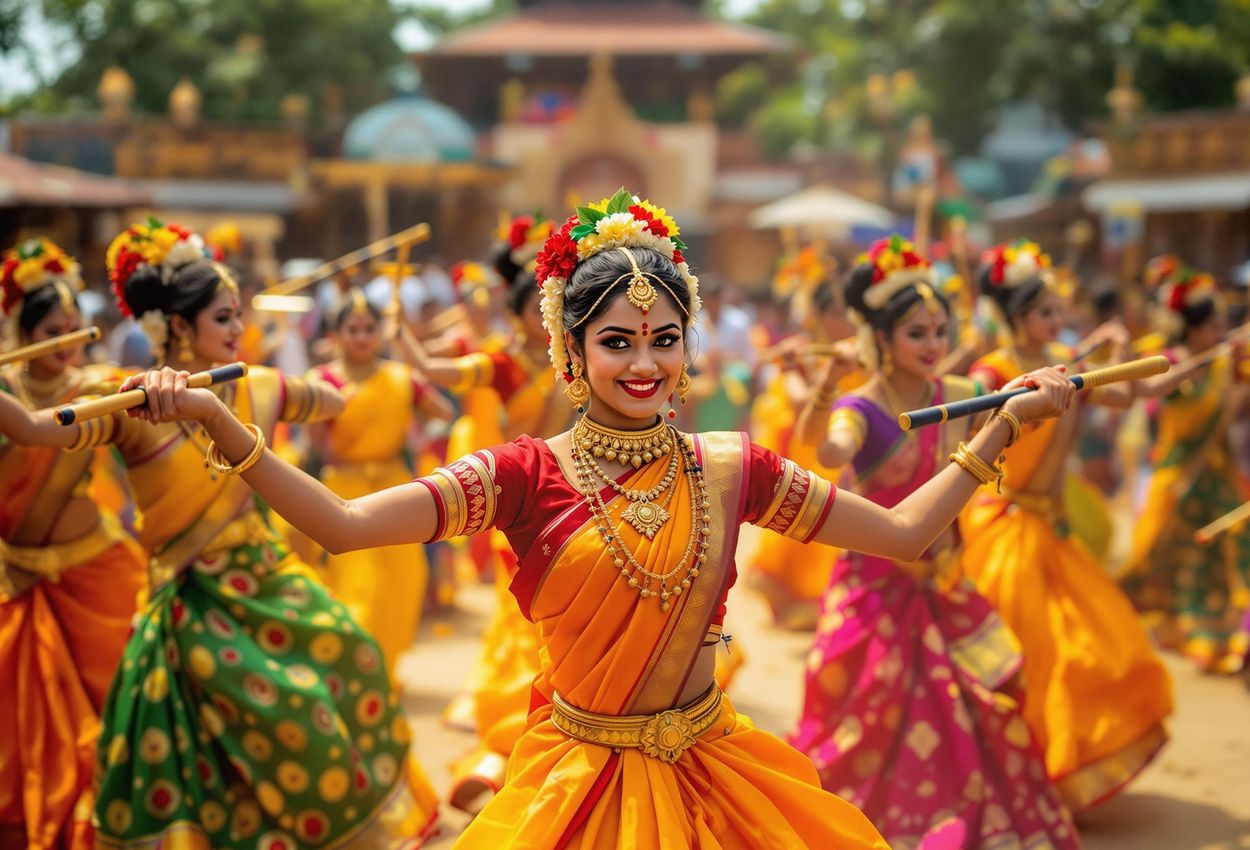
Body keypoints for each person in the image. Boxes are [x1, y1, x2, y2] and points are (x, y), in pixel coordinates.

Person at [123, 189, 1076, 850]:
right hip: (575, 788)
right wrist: (217, 419)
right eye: (616, 342)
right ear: (570, 351)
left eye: (664, 339)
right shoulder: (522, 476)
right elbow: (337, 523)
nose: (645, 365)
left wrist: (1000, 427)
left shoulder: (734, 465)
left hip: (716, 776)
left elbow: (907, 535)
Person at [0, 219, 438, 849]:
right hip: (192, 602)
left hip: (272, 582)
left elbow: (333, 402)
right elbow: (34, 430)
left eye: (237, 317)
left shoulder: (253, 383)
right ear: (179, 326)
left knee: (357, 657)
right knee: (254, 727)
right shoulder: (125, 403)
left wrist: (352, 366)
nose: (238, 330)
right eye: (224, 319)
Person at [789, 239, 1078, 849]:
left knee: (988, 703)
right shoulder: (861, 406)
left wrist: (1032, 393)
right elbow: (831, 449)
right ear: (882, 338)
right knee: (868, 723)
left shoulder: (960, 389)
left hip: (946, 582)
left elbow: (1006, 407)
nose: (932, 343)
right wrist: (826, 392)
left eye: (941, 330)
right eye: (917, 332)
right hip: (875, 592)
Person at [961, 240, 1173, 812]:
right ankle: (1013, 779)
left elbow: (1127, 396)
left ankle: (1057, 776)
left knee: (1095, 643)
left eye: (1058, 312)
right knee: (1033, 659)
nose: (1057, 321)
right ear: (1013, 317)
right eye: (1045, 313)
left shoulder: (1061, 362)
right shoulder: (994, 372)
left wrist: (1118, 346)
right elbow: (978, 444)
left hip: (1051, 525)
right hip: (1004, 525)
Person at [395, 214, 572, 812]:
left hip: (579, 498)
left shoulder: (584, 361)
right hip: (524, 502)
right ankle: (514, 736)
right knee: (523, 622)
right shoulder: (500, 363)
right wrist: (409, 343)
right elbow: (443, 373)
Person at [0, 238, 147, 850]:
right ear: (24, 333)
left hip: (96, 574)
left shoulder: (94, 386)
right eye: (53, 331)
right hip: (16, 579)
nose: (67, 342)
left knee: (119, 701)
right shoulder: (7, 389)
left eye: (74, 328)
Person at [309, 288, 452, 674]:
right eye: (353, 329)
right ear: (336, 335)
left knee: (406, 579)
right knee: (360, 588)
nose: (361, 336)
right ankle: (359, 676)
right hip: (344, 491)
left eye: (369, 328)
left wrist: (416, 427)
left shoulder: (400, 377)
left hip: (395, 487)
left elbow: (442, 411)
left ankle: (384, 674)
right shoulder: (322, 382)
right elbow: (313, 439)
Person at [1123, 266, 1250, 674]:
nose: (1220, 333)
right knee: (1164, 562)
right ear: (1192, 330)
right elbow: (1146, 390)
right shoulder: (1170, 361)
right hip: (1178, 477)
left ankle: (1224, 638)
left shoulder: (1222, 363)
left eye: (1223, 326)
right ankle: (1182, 634)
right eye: (1214, 326)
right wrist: (1198, 366)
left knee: (1227, 554)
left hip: (1216, 475)